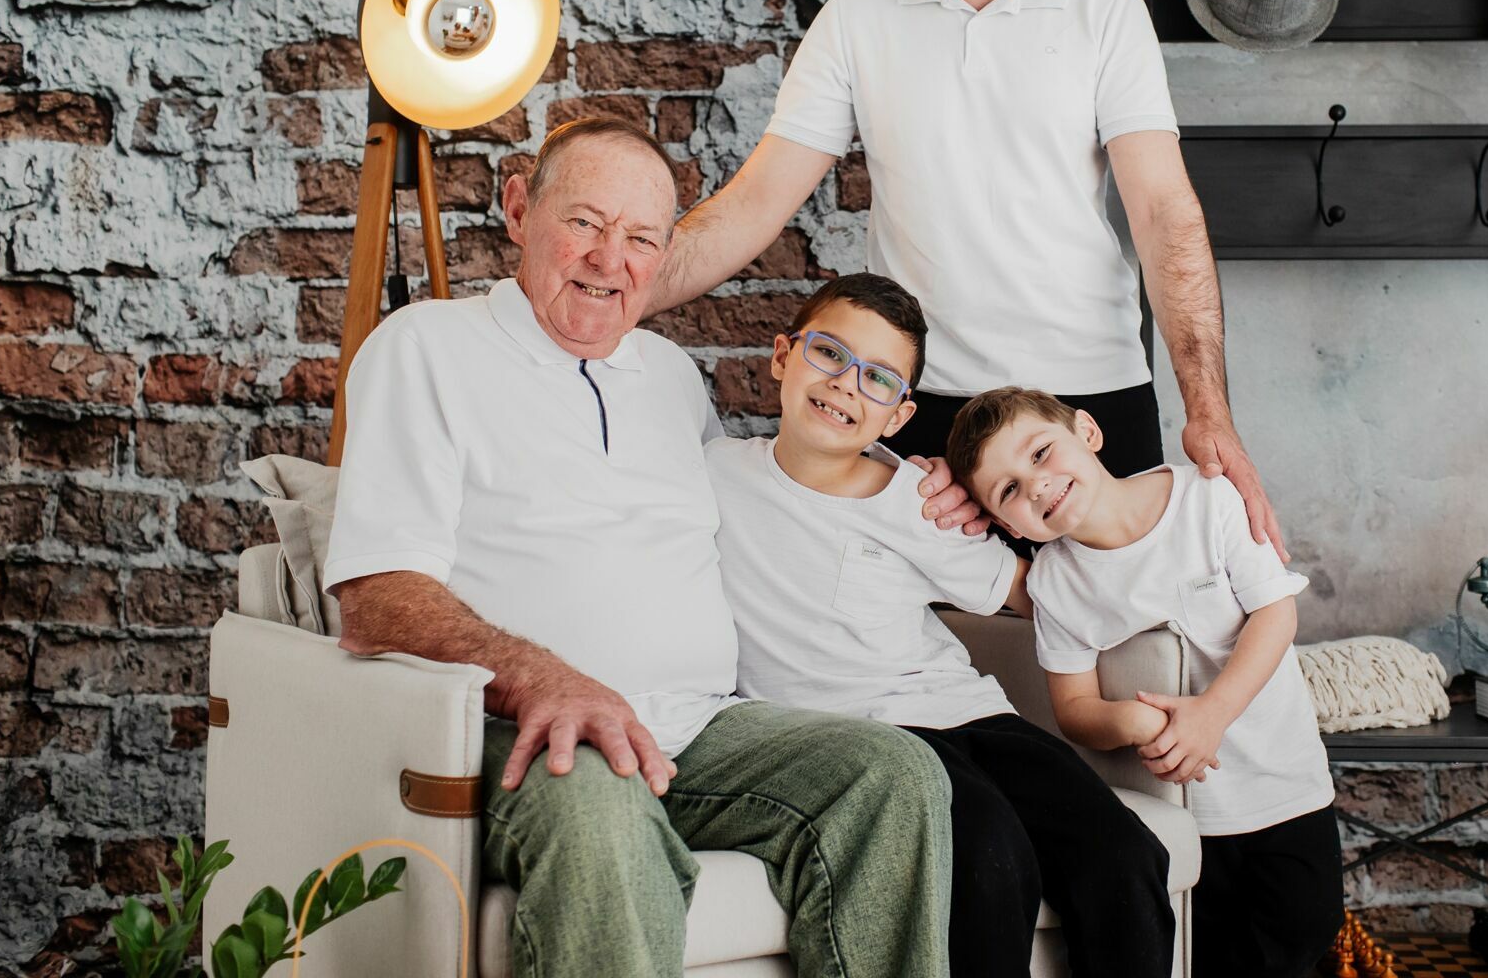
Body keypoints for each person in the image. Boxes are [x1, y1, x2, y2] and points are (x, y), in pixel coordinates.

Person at [321, 115, 953, 978]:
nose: (608, 258)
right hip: (524, 729)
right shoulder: (425, 348)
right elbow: (377, 598)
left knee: (891, 774)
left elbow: (767, 502)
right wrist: (549, 679)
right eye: (583, 222)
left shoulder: (667, 375)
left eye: (641, 238)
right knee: (600, 801)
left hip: (699, 726)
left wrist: (915, 496)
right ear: (517, 210)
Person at [649, 0, 1287, 556]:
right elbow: (756, 202)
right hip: (925, 409)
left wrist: (1208, 408)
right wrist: (617, 293)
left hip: (1091, 397)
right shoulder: (858, 16)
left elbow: (1163, 210)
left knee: (1121, 657)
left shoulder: (1103, 6)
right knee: (955, 661)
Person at [703, 272, 1177, 978]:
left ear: (897, 417)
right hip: (864, 747)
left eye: (878, 381)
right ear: (781, 356)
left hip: (974, 718)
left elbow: (1032, 595)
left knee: (1128, 856)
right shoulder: (711, 475)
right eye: (829, 354)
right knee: (989, 856)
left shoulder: (917, 501)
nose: (845, 387)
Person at [947, 387, 1343, 978]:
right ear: (1006, 522)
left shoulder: (1207, 499)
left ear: (1087, 431)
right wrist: (1128, 721)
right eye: (1009, 491)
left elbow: (1275, 615)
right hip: (1186, 819)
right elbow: (1074, 708)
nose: (1035, 486)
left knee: (1301, 930)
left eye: (1039, 453)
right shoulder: (1056, 583)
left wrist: (1211, 713)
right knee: (1202, 957)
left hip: (1282, 787)